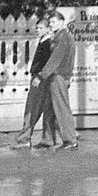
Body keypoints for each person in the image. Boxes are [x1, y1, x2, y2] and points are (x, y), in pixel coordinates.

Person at [11, 18, 60, 149]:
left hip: (40, 79)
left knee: (32, 108)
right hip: (38, 77)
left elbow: (48, 63)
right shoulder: (44, 41)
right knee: (41, 108)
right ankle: (49, 138)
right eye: (37, 28)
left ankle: (24, 138)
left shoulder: (48, 43)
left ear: (48, 29)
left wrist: (39, 76)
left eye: (40, 28)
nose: (37, 30)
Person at [39, 9, 79, 150]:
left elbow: (55, 59)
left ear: (62, 22)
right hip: (56, 76)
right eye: (50, 22)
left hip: (59, 76)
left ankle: (70, 140)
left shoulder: (64, 38)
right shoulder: (59, 37)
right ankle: (48, 140)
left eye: (54, 21)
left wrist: (42, 75)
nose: (51, 24)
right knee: (49, 108)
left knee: (61, 109)